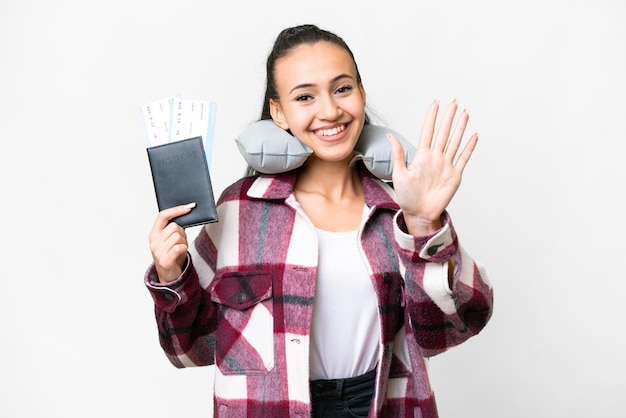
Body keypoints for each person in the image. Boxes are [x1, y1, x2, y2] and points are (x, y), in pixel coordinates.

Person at [145, 24, 493, 418]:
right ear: (279, 112)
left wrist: (424, 225)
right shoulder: (239, 211)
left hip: (382, 406)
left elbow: (452, 329)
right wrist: (171, 274)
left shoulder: (400, 211)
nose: (329, 111)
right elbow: (189, 350)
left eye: (342, 88)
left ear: (361, 93)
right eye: (305, 96)